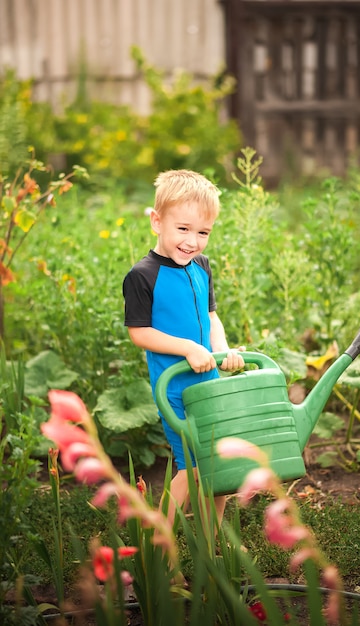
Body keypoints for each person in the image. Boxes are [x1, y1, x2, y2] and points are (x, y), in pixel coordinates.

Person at [123, 169, 244, 530]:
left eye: (203, 232)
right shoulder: (142, 276)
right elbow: (139, 333)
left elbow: (211, 316)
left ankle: (211, 542)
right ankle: (160, 545)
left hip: (210, 382)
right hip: (175, 389)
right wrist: (188, 347)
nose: (193, 241)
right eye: (183, 229)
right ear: (157, 222)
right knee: (190, 467)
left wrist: (222, 350)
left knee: (217, 465)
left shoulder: (201, 266)